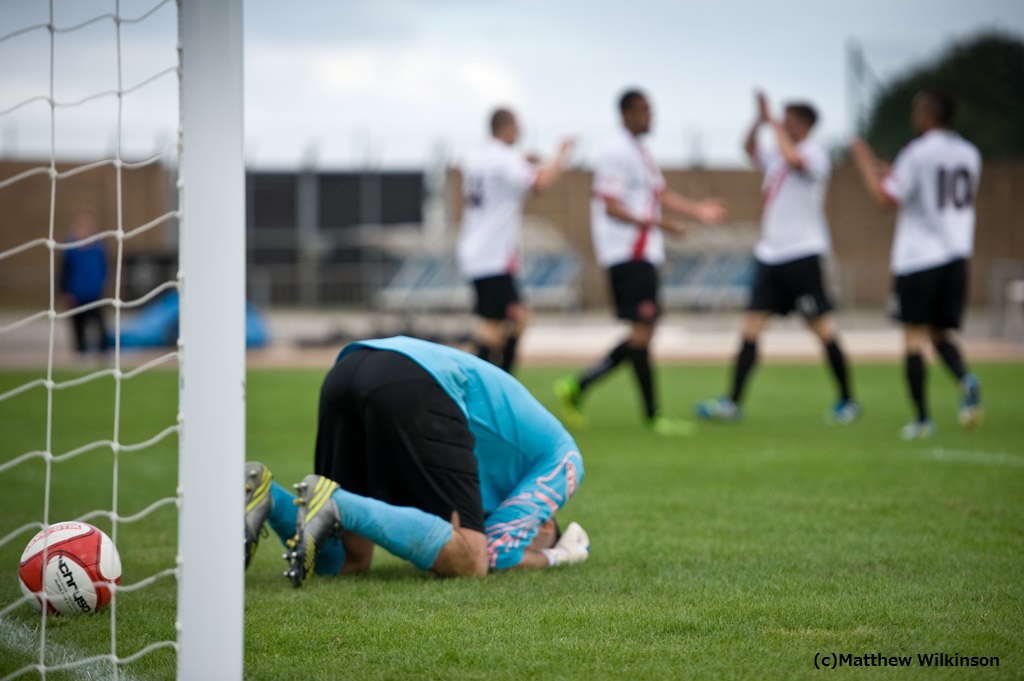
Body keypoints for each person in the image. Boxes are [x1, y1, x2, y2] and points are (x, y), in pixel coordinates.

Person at [243, 336, 589, 584]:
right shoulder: (565, 460)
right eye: (529, 539)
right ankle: (335, 503)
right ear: (544, 524)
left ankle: (268, 496)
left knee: (351, 558)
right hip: (418, 381)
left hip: (349, 371)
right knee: (472, 558)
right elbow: (497, 554)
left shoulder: (498, 481)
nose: (520, 540)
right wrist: (556, 556)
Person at [554, 89, 725, 436]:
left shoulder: (640, 151)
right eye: (645, 110)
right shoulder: (616, 151)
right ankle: (646, 413)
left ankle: (580, 386)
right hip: (628, 252)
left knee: (642, 334)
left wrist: (697, 210)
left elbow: (658, 194)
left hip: (644, 252)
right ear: (627, 113)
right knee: (642, 333)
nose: (652, 117)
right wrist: (658, 224)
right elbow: (610, 204)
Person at [696, 92, 860, 424]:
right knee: (750, 328)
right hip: (770, 256)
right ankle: (732, 403)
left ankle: (847, 401)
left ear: (804, 124)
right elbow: (747, 148)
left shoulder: (815, 155)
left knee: (822, 327)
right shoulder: (775, 155)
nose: (781, 125)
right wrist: (759, 120)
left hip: (802, 255)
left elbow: (794, 159)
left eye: (788, 120)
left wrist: (774, 125)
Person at [850, 89, 982, 439]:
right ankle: (966, 379)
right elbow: (933, 190)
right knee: (940, 333)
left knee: (912, 338)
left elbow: (884, 199)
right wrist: (892, 171)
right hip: (956, 255)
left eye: (916, 110)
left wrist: (865, 165)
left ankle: (923, 419)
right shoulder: (970, 153)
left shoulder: (917, 152)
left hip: (919, 257)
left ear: (926, 114)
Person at [457, 108, 575, 374]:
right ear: (507, 127)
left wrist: (522, 160)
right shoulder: (505, 158)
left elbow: (498, 175)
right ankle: (484, 384)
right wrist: (562, 153)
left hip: (477, 251)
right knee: (502, 324)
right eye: (517, 127)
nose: (520, 133)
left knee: (503, 323)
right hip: (493, 255)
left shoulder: (476, 157)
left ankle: (490, 384)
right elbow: (540, 183)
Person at [60, 210, 109, 359]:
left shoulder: (98, 247)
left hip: (94, 294)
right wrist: (65, 291)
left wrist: (102, 284)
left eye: (86, 227)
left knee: (100, 325)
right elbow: (63, 271)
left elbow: (106, 267)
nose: (84, 231)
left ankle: (104, 353)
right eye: (80, 227)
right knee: (78, 326)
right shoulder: (70, 249)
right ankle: (80, 354)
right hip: (76, 294)